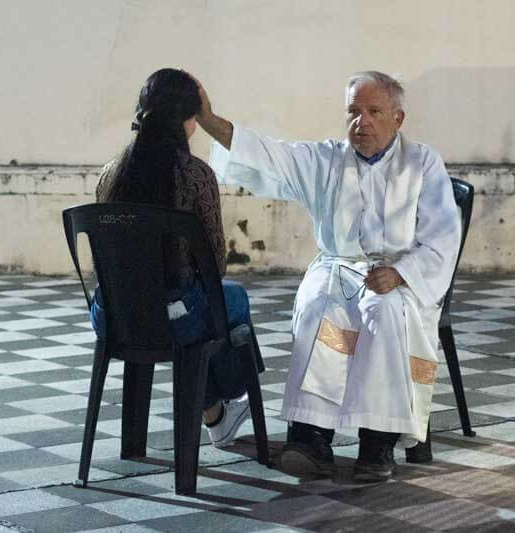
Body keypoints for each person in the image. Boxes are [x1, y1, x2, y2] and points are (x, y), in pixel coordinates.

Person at [197, 70, 461, 481]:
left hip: (401, 278)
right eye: (354, 111)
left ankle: (379, 442)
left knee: (385, 314)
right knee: (319, 306)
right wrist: (209, 119)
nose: (363, 121)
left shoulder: (422, 163)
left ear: (398, 118)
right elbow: (269, 155)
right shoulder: (327, 160)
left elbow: (443, 238)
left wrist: (401, 272)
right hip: (338, 266)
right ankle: (310, 438)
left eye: (374, 111)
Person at [89, 68, 252, 449]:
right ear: (189, 120)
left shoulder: (110, 173)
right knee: (232, 300)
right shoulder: (196, 176)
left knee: (208, 307)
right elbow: (215, 267)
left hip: (112, 316)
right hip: (174, 318)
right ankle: (229, 397)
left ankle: (216, 412)